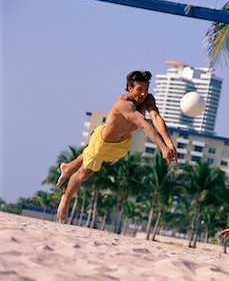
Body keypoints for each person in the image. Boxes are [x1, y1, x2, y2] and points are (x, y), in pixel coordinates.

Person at [56, 70, 178, 223]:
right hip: (102, 142)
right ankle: (65, 200)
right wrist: (163, 148)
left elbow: (156, 117)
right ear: (129, 87)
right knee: (86, 172)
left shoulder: (148, 99)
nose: (143, 94)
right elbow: (144, 124)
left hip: (121, 146)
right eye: (139, 90)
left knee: (89, 156)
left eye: (146, 89)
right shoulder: (123, 104)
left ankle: (67, 168)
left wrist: (168, 142)